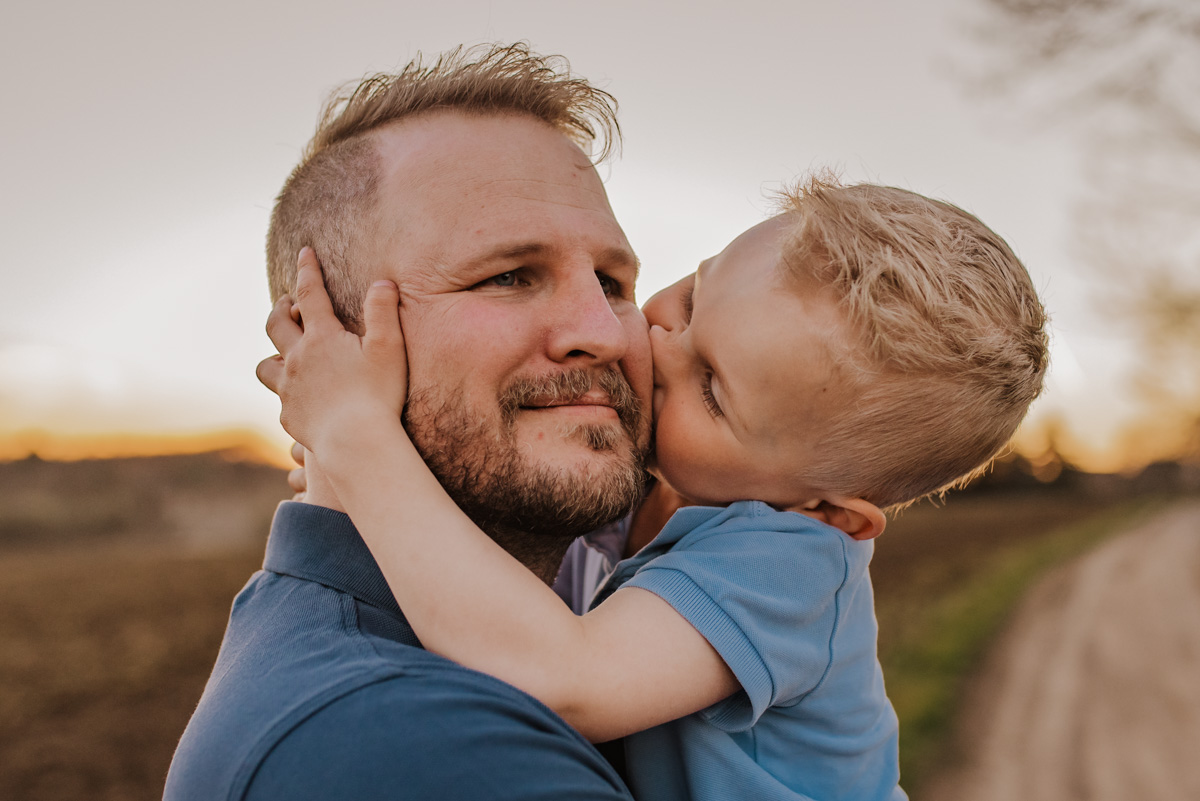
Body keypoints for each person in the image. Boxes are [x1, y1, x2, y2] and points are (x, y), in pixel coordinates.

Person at [257, 177, 1049, 801]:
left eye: (710, 388)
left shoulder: (790, 562)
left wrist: (359, 441)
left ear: (831, 511)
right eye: (694, 300)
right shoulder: (670, 497)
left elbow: (565, 676)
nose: (658, 345)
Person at [164, 43, 652, 801]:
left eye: (613, 281)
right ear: (321, 340)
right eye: (509, 275)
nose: (607, 332)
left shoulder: (592, 588)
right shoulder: (415, 740)